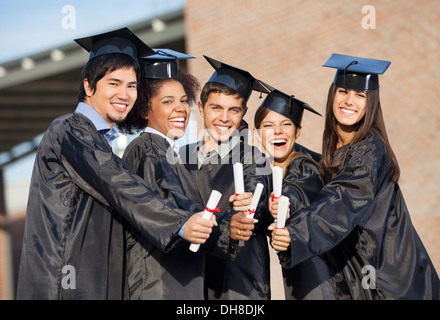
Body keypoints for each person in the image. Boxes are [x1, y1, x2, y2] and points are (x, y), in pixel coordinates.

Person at [16, 28, 215, 300]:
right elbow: (115, 181)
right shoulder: (68, 129)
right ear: (88, 86)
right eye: (114, 83)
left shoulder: (100, 140)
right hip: (64, 283)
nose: (124, 94)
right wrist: (179, 223)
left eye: (131, 86)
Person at [270, 53, 440, 299]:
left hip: (391, 281)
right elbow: (322, 174)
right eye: (343, 92)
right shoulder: (339, 149)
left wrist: (296, 233)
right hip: (365, 276)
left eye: (360, 95)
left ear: (370, 104)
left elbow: (341, 199)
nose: (349, 101)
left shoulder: (369, 150)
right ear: (332, 95)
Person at [117, 49, 209, 299]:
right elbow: (157, 208)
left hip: (178, 281)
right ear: (145, 109)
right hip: (157, 284)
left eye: (183, 100)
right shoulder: (145, 151)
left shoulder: (169, 152)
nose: (180, 109)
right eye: (168, 101)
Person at [179, 56, 272, 300]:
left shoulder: (253, 157)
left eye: (234, 110)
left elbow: (258, 198)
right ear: (201, 107)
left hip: (238, 282)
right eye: (216, 108)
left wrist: (251, 204)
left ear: (243, 114)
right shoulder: (179, 156)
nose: (224, 118)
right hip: (190, 280)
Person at [251, 87, 341, 299]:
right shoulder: (266, 172)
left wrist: (284, 203)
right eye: (268, 125)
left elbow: (299, 190)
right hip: (301, 277)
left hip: (322, 278)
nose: (278, 131)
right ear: (256, 133)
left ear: (297, 131)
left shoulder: (304, 165)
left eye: (286, 124)